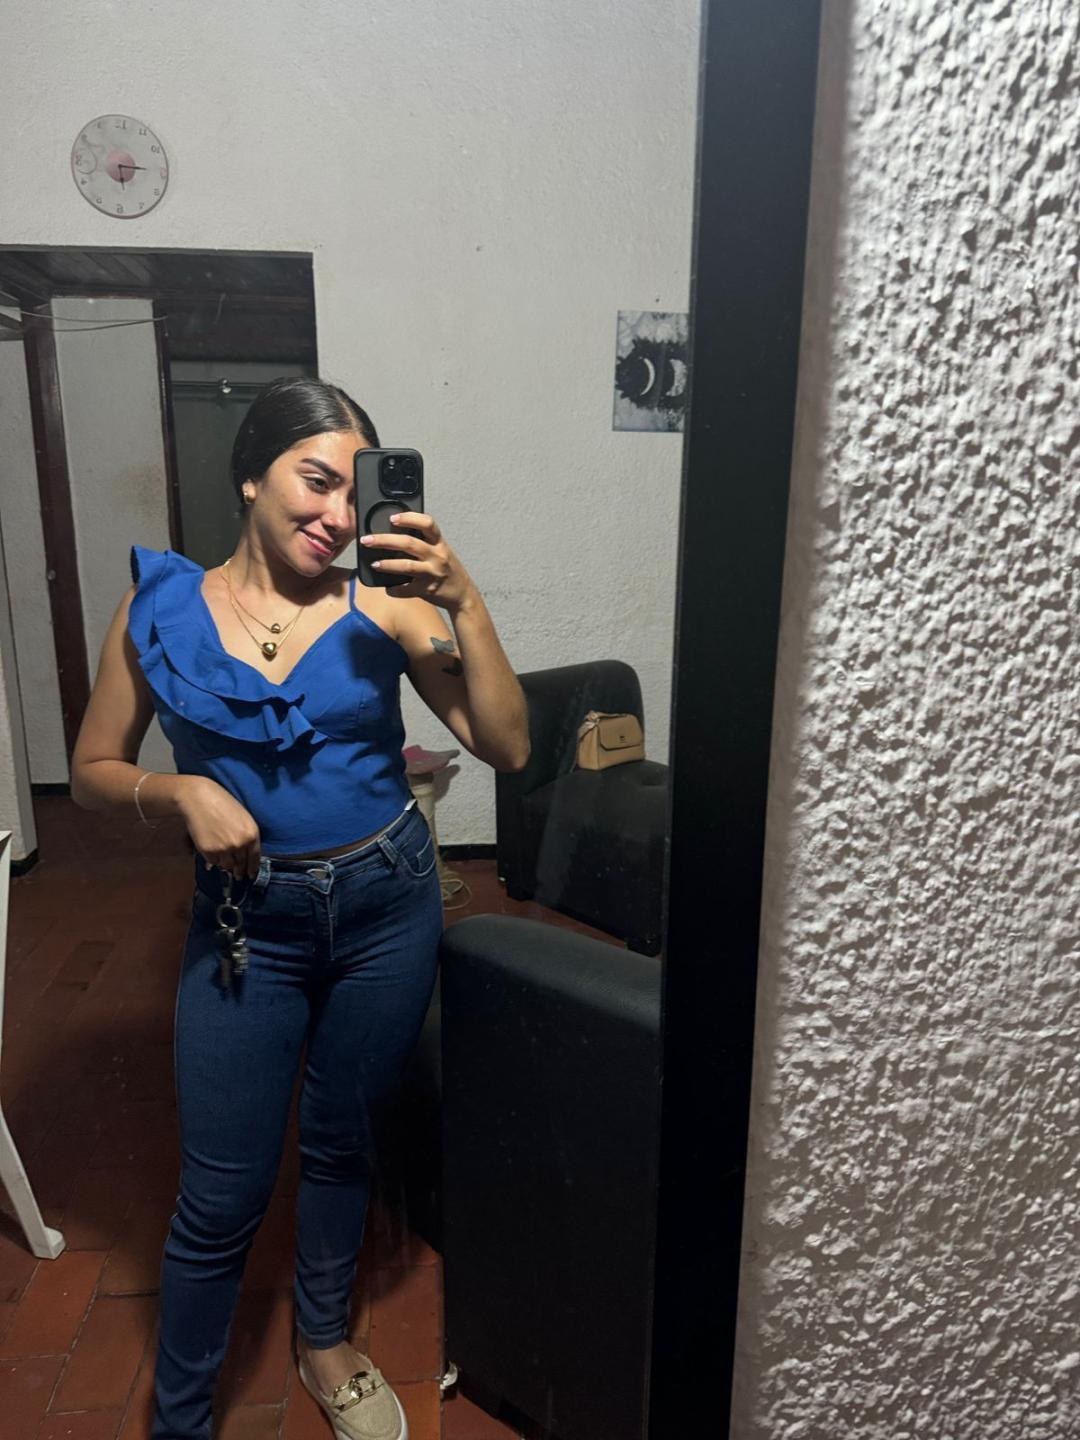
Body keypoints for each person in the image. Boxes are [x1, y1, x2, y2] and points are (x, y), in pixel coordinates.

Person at [69, 376, 530, 1440]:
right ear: (250, 474)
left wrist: (464, 599)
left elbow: (506, 745)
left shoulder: (386, 604)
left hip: (386, 908)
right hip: (247, 929)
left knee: (340, 1139)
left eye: (352, 492)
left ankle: (324, 1341)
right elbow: (93, 767)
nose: (335, 514)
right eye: (314, 480)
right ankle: (181, 1418)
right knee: (220, 1192)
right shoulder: (157, 611)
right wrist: (177, 792)